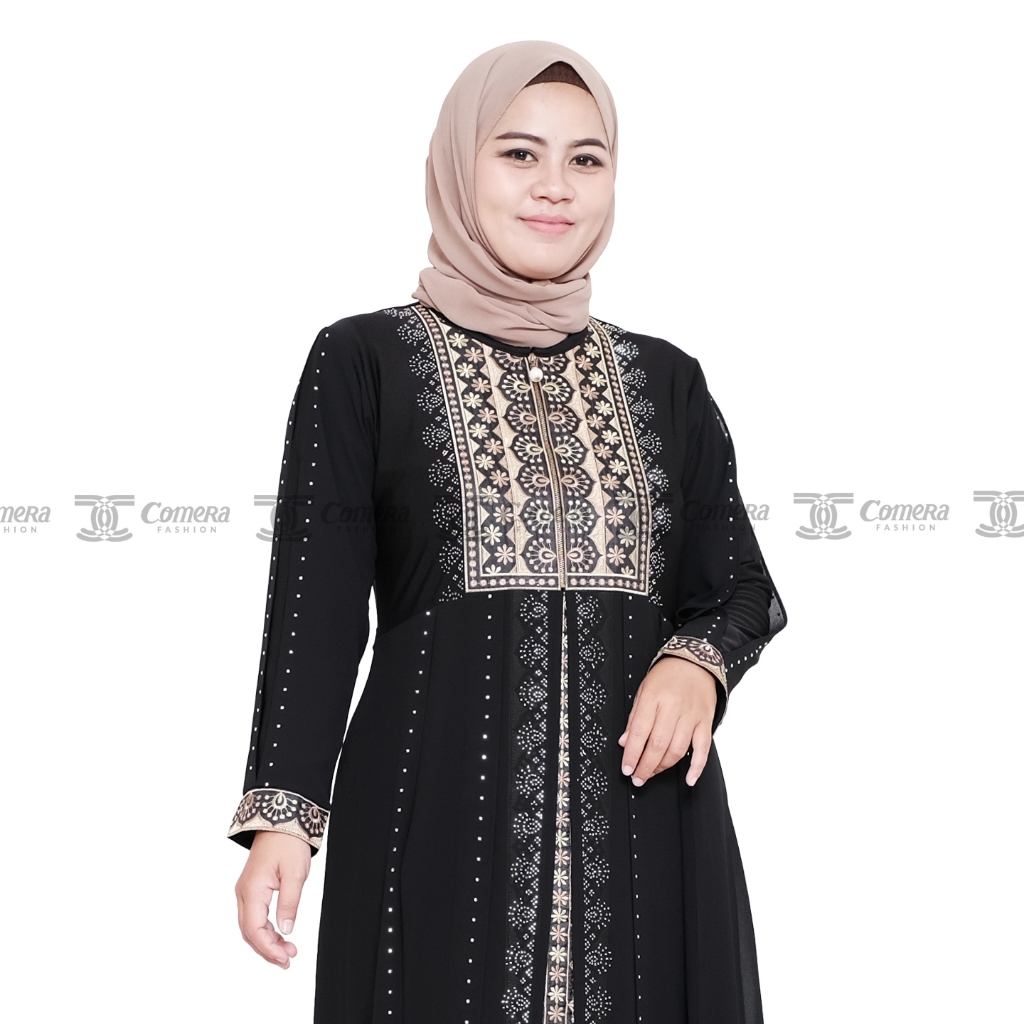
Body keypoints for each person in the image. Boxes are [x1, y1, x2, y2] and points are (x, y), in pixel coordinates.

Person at [228, 39, 787, 1024]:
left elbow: (738, 582)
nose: (555, 186)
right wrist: (286, 816)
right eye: (519, 153)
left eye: (586, 158)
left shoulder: (665, 379)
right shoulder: (364, 360)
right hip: (431, 818)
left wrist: (695, 663)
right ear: (458, 165)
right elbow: (316, 605)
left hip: (649, 827)